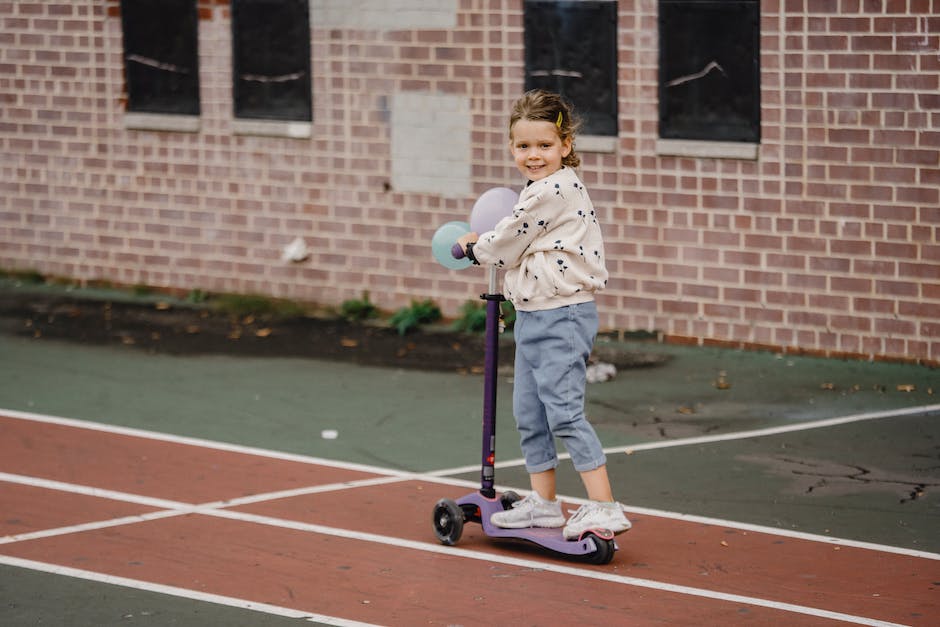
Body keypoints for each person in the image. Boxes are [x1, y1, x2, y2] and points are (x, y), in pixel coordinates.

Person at [456, 90, 631, 540]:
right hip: (535, 315)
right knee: (530, 412)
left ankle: (605, 507)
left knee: (564, 412)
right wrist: (490, 241)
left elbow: (508, 241)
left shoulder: (556, 188)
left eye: (544, 145)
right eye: (523, 146)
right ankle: (545, 503)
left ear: (566, 145)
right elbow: (518, 237)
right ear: (512, 147)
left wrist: (473, 247)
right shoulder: (536, 190)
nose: (533, 155)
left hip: (563, 316)